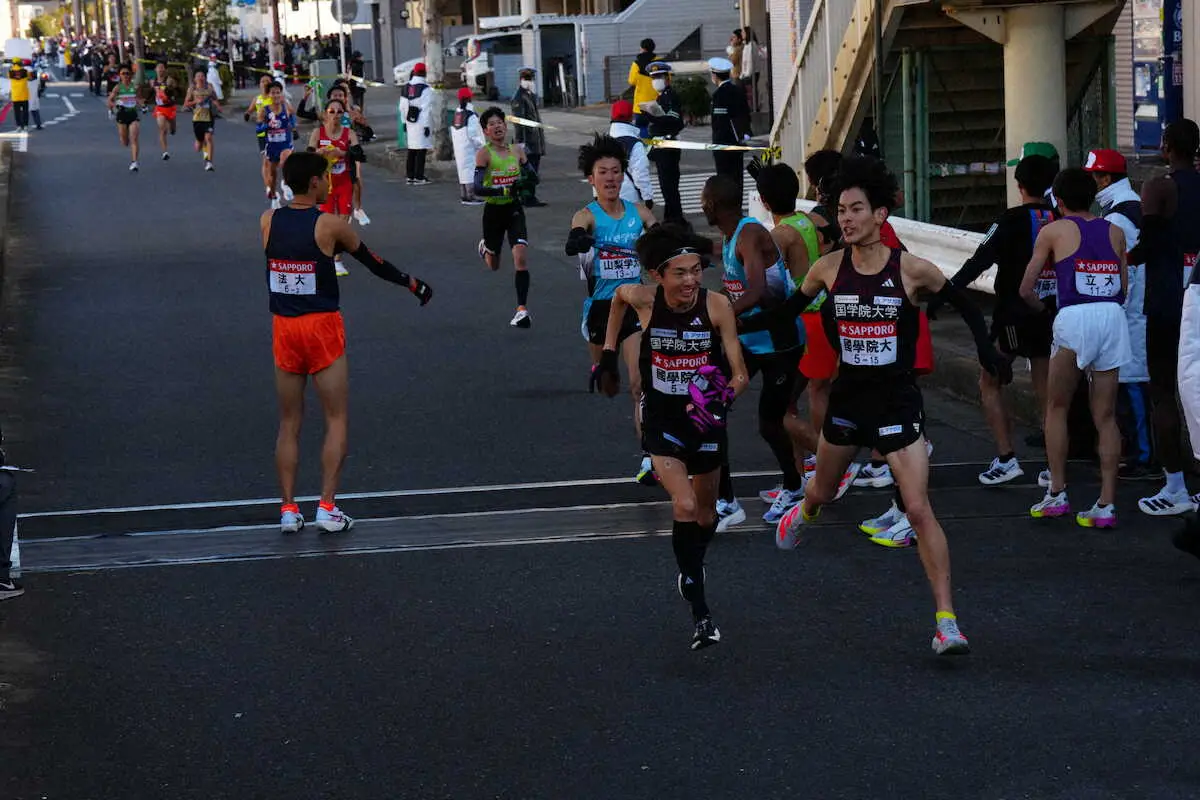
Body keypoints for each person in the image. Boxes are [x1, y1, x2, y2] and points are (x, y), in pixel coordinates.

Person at [762, 156, 1008, 655]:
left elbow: (961, 302)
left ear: (880, 216)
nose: (846, 218)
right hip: (849, 400)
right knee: (824, 492)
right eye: (840, 210)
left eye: (856, 209)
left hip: (897, 401)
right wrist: (727, 331)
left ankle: (947, 623)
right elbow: (786, 313)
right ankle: (803, 512)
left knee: (918, 508)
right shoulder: (828, 268)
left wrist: (987, 351)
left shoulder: (911, 269)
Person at [595, 225, 749, 650]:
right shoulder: (644, 299)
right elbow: (618, 298)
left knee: (705, 516)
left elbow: (739, 372)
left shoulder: (717, 306)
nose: (690, 281)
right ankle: (701, 613)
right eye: (679, 273)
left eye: (696, 270)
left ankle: (690, 568)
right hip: (662, 419)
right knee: (682, 505)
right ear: (657, 275)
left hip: (705, 418)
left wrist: (716, 399)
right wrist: (608, 354)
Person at [263, 152, 432, 535]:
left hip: (284, 326)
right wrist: (412, 283)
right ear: (313, 183)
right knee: (335, 418)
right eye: (324, 176)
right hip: (321, 325)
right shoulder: (330, 225)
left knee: (289, 421)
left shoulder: (267, 221)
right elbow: (372, 261)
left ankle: (288, 509)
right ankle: (326, 506)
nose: (328, 180)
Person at [928, 153, 1059, 486]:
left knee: (989, 381)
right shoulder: (1059, 219)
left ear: (1019, 186)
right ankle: (1052, 464)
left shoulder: (1010, 219)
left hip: (1013, 315)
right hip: (1050, 313)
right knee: (1047, 392)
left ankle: (1006, 458)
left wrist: (944, 295)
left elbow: (978, 262)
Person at [1019, 168, 1131, 527]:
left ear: (1060, 201)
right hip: (1112, 317)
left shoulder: (1053, 230)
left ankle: (1056, 492)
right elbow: (1124, 288)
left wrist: (1046, 310)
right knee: (1106, 416)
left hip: (1074, 316)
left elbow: (1026, 287)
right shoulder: (1114, 231)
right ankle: (1107, 504)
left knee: (1057, 407)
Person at [696, 174, 805, 527]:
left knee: (769, 423)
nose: (700, 206)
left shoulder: (750, 234)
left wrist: (726, 316)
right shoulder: (729, 237)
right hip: (749, 340)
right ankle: (726, 500)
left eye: (702, 201)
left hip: (780, 341)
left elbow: (757, 290)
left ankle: (795, 487)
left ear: (711, 205)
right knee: (710, 407)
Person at [565, 134, 659, 483]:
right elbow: (579, 226)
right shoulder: (587, 214)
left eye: (616, 171)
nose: (610, 178)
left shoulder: (638, 213)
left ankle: (650, 458)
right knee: (609, 386)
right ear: (591, 179)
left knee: (639, 384)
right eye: (602, 172)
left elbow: (657, 232)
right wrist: (577, 239)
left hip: (632, 307)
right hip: (601, 311)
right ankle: (601, 367)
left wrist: (666, 239)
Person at [1129, 119, 1200, 517]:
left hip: (1170, 302)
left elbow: (1149, 243)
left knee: (1163, 391)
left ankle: (1175, 486)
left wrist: (1123, 255)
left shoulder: (1160, 186)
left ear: (1168, 146)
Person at [749, 161, 822, 501]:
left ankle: (830, 460)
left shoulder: (777, 236)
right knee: (790, 403)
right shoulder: (805, 220)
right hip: (819, 315)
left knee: (780, 411)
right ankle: (796, 478)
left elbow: (768, 282)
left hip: (800, 320)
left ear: (763, 201)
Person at [1083, 149, 1155, 480]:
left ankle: (1143, 457)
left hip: (1129, 314)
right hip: (1137, 311)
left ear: (1105, 179)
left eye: (1093, 177)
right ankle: (1139, 454)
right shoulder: (1130, 205)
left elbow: (1125, 271)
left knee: (1133, 384)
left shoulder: (1117, 218)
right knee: (1131, 382)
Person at [474, 107, 537, 328]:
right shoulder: (484, 154)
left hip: (514, 209)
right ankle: (486, 249)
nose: (497, 126)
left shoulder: (517, 151)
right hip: (493, 212)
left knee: (520, 256)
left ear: (505, 125)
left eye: (500, 122)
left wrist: (527, 184)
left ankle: (521, 309)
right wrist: (502, 191)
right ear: (485, 131)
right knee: (494, 265)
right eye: (491, 124)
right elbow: (477, 188)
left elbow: (532, 176)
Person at [308, 99, 362, 277]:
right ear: (325, 114)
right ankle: (327, 256)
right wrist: (318, 154)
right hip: (325, 184)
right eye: (332, 111)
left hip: (344, 182)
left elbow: (360, 154)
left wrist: (343, 153)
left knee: (343, 220)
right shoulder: (318, 133)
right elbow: (307, 155)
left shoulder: (349, 133)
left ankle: (337, 260)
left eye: (339, 112)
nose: (336, 115)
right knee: (328, 221)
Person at [644, 61, 685, 225]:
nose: (656, 81)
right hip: (661, 146)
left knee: (669, 186)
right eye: (653, 77)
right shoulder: (661, 97)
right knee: (666, 186)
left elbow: (675, 120)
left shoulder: (670, 96)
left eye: (659, 77)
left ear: (667, 78)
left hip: (668, 145)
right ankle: (672, 218)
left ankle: (675, 219)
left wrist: (653, 118)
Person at [708, 57, 751, 203]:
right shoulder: (738, 90)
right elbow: (745, 115)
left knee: (724, 179)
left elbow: (719, 124)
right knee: (737, 177)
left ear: (715, 75)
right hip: (738, 142)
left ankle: (728, 208)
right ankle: (737, 205)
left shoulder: (719, 95)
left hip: (723, 144)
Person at [607, 99, 654, 208]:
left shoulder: (603, 141)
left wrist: (597, 194)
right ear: (630, 117)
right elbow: (640, 173)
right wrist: (647, 197)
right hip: (629, 196)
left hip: (606, 196)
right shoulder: (635, 144)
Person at [510, 67, 546, 207]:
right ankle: (526, 197)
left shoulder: (529, 95)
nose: (530, 81)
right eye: (527, 79)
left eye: (531, 78)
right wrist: (521, 143)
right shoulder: (518, 97)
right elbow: (518, 122)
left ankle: (530, 196)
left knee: (533, 170)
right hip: (527, 141)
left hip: (534, 140)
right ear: (521, 80)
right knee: (527, 171)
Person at [260, 81, 296, 208]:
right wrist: (265, 126)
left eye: (278, 92)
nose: (275, 95)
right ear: (268, 95)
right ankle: (274, 196)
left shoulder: (286, 106)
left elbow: (292, 116)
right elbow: (258, 127)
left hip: (285, 142)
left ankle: (286, 184)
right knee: (272, 173)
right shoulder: (264, 110)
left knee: (286, 161)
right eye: (273, 93)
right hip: (272, 144)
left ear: (281, 94)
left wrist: (293, 127)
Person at [399, 62, 433, 186]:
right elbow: (426, 110)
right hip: (420, 122)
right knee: (421, 150)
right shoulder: (425, 89)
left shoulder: (405, 87)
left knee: (411, 149)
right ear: (424, 73)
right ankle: (419, 176)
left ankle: (410, 176)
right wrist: (426, 125)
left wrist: (403, 121)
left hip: (409, 121)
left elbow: (402, 107)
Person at [451, 86, 485, 205]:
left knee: (463, 171)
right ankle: (471, 196)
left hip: (459, 148)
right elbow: (474, 135)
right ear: (470, 98)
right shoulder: (471, 115)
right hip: (470, 149)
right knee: (471, 171)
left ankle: (464, 195)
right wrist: (482, 146)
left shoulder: (457, 113)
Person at [183, 69, 221, 172]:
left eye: (202, 76)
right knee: (198, 146)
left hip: (208, 117)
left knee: (209, 138)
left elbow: (215, 98)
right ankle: (201, 145)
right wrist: (196, 101)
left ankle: (209, 162)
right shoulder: (192, 89)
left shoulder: (209, 87)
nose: (200, 78)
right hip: (197, 118)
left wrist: (218, 106)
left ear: (205, 78)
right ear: (195, 79)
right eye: (198, 76)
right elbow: (186, 104)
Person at [107, 64, 142, 172]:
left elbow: (139, 99)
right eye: (123, 74)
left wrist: (143, 105)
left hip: (133, 115)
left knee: (134, 138)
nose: (126, 76)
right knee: (125, 141)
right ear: (120, 75)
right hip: (121, 115)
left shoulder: (135, 87)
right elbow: (109, 101)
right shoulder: (118, 88)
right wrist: (114, 106)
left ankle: (134, 162)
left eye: (128, 73)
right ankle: (125, 140)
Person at [627, 38, 657, 133]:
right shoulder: (660, 63)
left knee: (641, 129)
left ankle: (644, 146)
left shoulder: (636, 64)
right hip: (657, 103)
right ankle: (656, 146)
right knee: (657, 129)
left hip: (641, 105)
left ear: (643, 48)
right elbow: (668, 79)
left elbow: (631, 81)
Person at [150, 61, 178, 160]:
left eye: (162, 67)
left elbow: (176, 90)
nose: (160, 69)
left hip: (170, 107)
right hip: (160, 108)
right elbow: (151, 93)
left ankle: (172, 127)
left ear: (164, 69)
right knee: (162, 129)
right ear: (155, 69)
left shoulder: (169, 80)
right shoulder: (152, 81)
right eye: (159, 67)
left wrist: (170, 91)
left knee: (172, 130)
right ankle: (165, 152)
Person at [8, 58, 30, 132]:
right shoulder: (25, 71)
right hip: (24, 95)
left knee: (17, 112)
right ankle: (26, 126)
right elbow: (30, 76)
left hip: (15, 96)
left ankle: (19, 126)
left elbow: (10, 76)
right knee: (25, 111)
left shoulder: (10, 72)